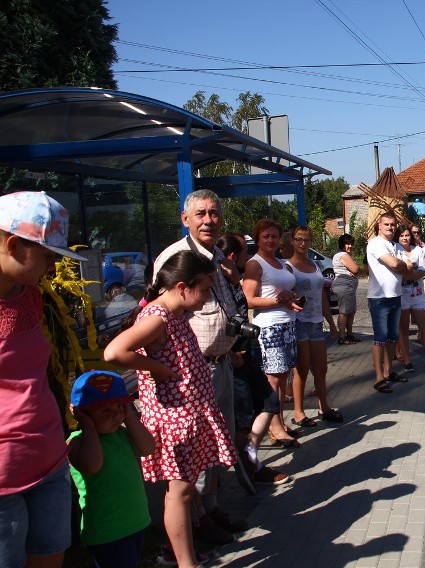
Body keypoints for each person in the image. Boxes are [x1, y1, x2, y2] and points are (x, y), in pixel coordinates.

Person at [104, 250, 237, 568]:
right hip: (174, 419)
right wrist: (157, 368)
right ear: (181, 286)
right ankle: (185, 563)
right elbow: (114, 351)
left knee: (185, 492)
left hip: (187, 415)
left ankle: (177, 554)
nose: (207, 297)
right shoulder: (158, 317)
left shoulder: (173, 315)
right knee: (179, 493)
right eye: (204, 290)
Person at [150, 189, 245, 544]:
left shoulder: (218, 254)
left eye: (214, 213)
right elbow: (158, 313)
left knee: (216, 443)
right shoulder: (175, 258)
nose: (208, 220)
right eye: (201, 213)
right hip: (192, 370)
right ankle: (195, 520)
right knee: (194, 450)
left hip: (221, 363)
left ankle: (210, 507)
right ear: (185, 218)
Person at [0, 191, 87, 568]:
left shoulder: (31, 297)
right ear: (13, 245)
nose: (52, 268)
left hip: (49, 460)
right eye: (48, 255)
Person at [221, 229, 293, 489]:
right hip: (232, 357)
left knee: (268, 402)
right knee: (241, 417)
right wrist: (229, 351)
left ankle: (248, 457)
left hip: (244, 352)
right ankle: (241, 465)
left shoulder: (229, 282)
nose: (248, 254)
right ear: (232, 255)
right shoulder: (225, 282)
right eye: (244, 249)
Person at [67, 371, 155, 568]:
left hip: (135, 522)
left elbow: (148, 447)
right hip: (107, 531)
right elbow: (93, 465)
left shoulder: (122, 434)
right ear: (83, 413)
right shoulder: (77, 442)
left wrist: (129, 417)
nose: (116, 414)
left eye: (119, 406)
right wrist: (88, 427)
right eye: (105, 410)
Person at [287, 226, 343, 425]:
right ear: (292, 241)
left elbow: (321, 295)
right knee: (301, 369)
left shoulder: (315, 265)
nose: (303, 244)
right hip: (299, 321)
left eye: (307, 240)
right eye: (299, 239)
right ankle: (298, 412)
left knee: (321, 367)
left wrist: (332, 323)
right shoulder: (288, 267)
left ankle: (323, 406)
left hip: (316, 322)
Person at [366, 212, 413, 393]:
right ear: (379, 225)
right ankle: (378, 377)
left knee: (393, 336)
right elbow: (396, 265)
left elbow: (409, 266)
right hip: (379, 297)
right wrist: (401, 265)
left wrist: (400, 264)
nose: (390, 228)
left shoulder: (396, 245)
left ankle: (388, 371)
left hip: (396, 295)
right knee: (380, 337)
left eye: (393, 225)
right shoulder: (375, 243)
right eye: (386, 224)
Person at [394, 225, 425, 371]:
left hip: (418, 294)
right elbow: (395, 272)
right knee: (403, 328)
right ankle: (407, 361)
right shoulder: (394, 249)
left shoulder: (418, 250)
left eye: (407, 235)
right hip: (402, 294)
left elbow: (423, 271)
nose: (405, 238)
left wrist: (408, 276)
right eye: (402, 235)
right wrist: (407, 275)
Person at [332, 233, 360, 345]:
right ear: (342, 244)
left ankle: (350, 335)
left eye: (351, 244)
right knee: (344, 311)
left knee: (351, 311)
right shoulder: (342, 255)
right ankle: (342, 337)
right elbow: (355, 269)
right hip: (344, 287)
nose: (350, 246)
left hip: (349, 288)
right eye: (347, 243)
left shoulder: (342, 255)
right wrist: (354, 269)